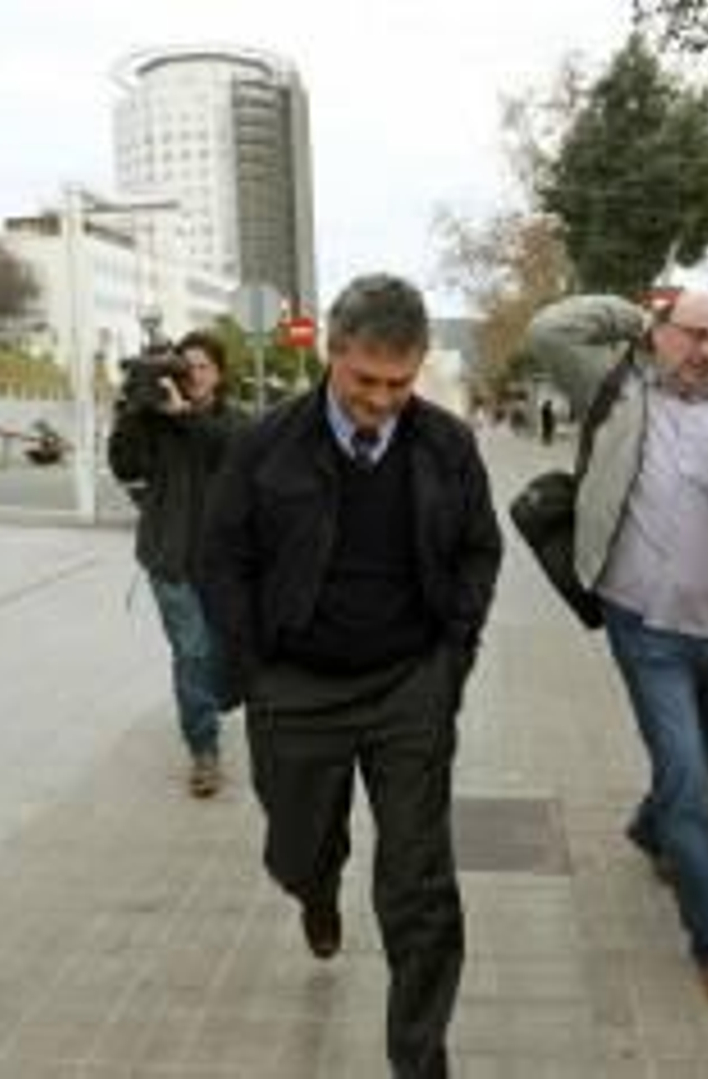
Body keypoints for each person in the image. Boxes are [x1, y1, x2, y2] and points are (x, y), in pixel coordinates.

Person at [200, 274, 502, 1078]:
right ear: (332, 353)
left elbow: (479, 549)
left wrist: (453, 659)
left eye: (400, 383)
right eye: (366, 379)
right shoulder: (265, 444)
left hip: (409, 686)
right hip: (296, 687)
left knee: (420, 883)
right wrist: (254, 669)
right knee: (297, 849)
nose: (381, 400)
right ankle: (317, 886)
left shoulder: (446, 444)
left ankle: (420, 1058)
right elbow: (221, 558)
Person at [519, 289, 708, 1015]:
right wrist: (636, 317)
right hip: (644, 624)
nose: (706, 350)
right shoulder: (615, 387)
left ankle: (653, 829)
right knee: (687, 779)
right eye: (692, 334)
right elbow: (547, 328)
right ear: (662, 331)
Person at [108, 329, 245, 797]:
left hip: (225, 563)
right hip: (170, 557)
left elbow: (228, 450)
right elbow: (125, 467)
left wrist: (184, 415)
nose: (194, 375)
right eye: (186, 367)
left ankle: (211, 703)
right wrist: (132, 411)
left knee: (218, 655)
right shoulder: (155, 420)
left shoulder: (237, 423)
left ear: (219, 374)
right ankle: (204, 751)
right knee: (193, 650)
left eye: (203, 367)